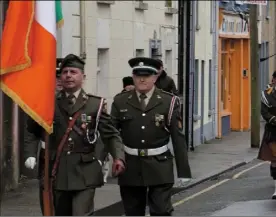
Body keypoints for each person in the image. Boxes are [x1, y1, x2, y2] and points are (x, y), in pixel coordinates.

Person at [24, 54, 125, 216]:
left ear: (82, 77)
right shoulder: (47, 103)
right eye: (64, 72)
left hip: (84, 171)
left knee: (81, 213)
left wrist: (118, 157)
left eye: (73, 72)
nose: (68, 75)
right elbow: (32, 130)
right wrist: (30, 154)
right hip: (55, 171)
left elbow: (111, 134)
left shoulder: (95, 104)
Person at [110, 57, 192, 216]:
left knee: (161, 211)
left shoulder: (169, 102)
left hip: (159, 165)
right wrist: (105, 161)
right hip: (131, 167)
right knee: (133, 212)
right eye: (138, 75)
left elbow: (177, 137)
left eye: (147, 75)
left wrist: (183, 171)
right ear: (133, 77)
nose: (142, 79)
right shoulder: (121, 101)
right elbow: (111, 133)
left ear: (155, 77)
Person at [38, 58, 63, 215]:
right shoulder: (41, 100)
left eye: (61, 77)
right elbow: (31, 129)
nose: (59, 81)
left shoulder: (77, 100)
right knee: (46, 193)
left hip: (70, 155)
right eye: (56, 77)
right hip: (47, 155)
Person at [258, 81, 276, 199]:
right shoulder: (267, 94)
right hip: (273, 132)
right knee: (275, 161)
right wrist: (274, 120)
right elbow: (264, 112)